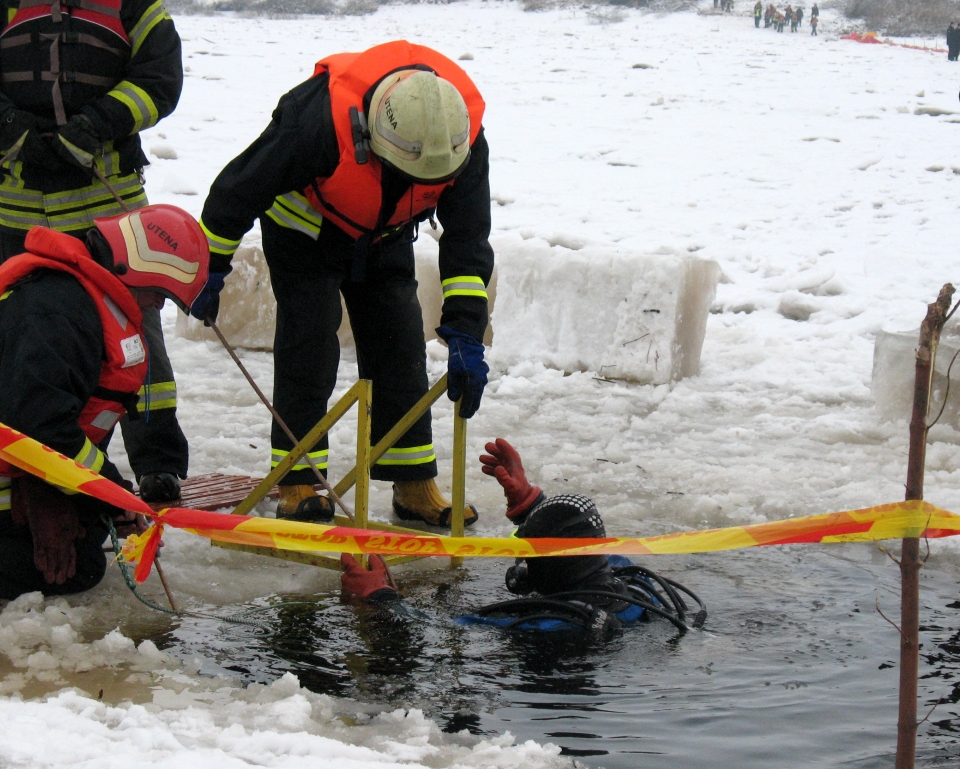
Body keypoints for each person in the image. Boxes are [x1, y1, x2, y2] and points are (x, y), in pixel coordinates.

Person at [195, 41, 491, 527]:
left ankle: (413, 482)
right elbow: (235, 190)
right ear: (371, 137)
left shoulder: (459, 138)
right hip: (304, 229)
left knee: (399, 342)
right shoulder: (313, 122)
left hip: (385, 233)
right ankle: (299, 480)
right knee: (309, 339)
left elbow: (467, 239)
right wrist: (208, 267)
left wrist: (466, 331)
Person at [0, 0, 190, 503]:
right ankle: (29, 459)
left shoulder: (134, 5)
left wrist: (96, 125)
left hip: (107, 205)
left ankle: (158, 464)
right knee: (25, 344)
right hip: (20, 208)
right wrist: (5, 121)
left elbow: (160, 79)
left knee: (138, 340)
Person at [0, 204, 208, 607]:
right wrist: (108, 494)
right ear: (132, 271)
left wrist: (106, 499)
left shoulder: (76, 296)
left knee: (90, 522)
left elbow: (47, 420)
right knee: (77, 563)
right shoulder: (58, 310)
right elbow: (38, 428)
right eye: (160, 293)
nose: (158, 306)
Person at [340, 439, 706, 634]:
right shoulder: (623, 581)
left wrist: (380, 596)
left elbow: (442, 627)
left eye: (528, 553)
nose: (520, 565)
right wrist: (530, 503)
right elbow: (569, 545)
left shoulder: (553, 624)